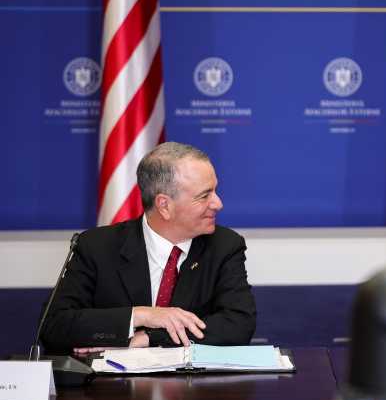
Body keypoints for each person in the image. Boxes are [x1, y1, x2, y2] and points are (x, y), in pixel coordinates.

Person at [41, 142, 256, 354]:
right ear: (164, 205)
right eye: (204, 196)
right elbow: (53, 325)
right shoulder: (97, 247)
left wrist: (149, 337)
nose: (218, 203)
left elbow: (239, 324)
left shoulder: (224, 246)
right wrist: (141, 315)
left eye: (215, 190)